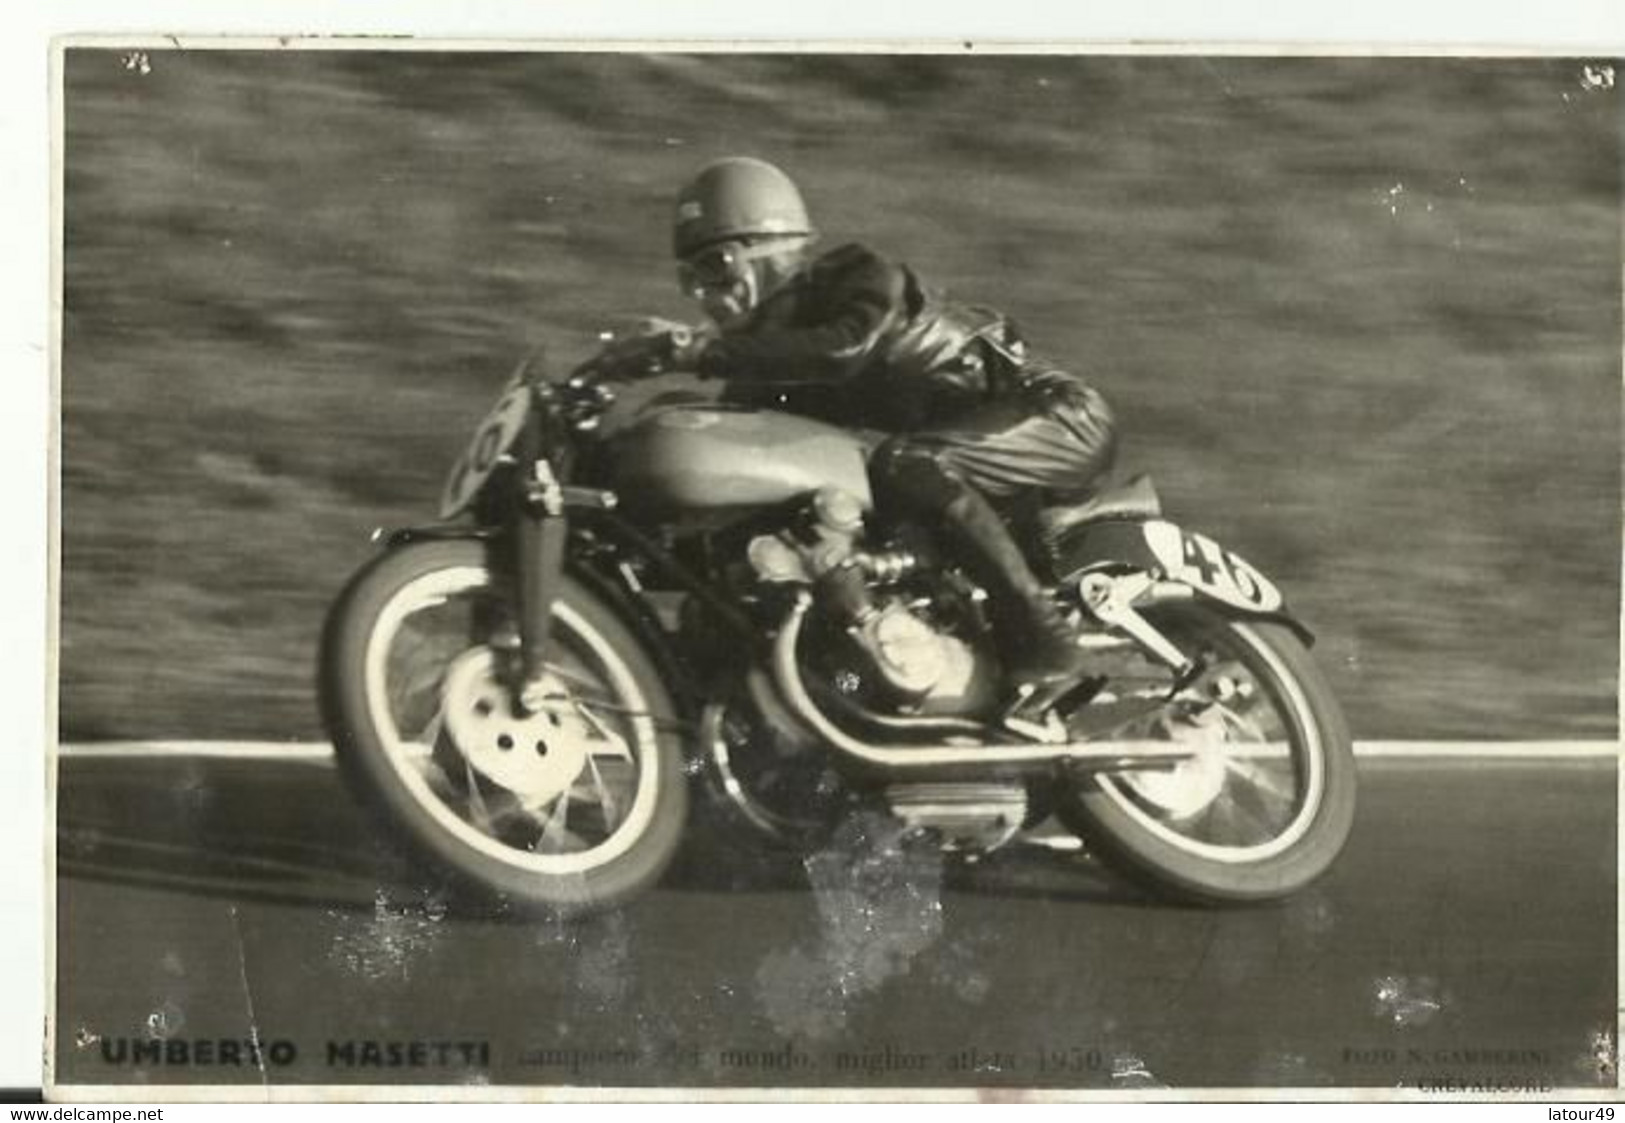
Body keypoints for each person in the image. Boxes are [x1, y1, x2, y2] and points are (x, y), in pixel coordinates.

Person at [662, 157, 1118, 726]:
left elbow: (842, 350)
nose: (706, 296)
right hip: (959, 468)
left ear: (772, 247)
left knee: (904, 461)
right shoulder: (757, 374)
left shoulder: (856, 277)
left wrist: (696, 352)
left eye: (717, 268)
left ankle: (1047, 640)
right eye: (691, 280)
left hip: (1056, 415)